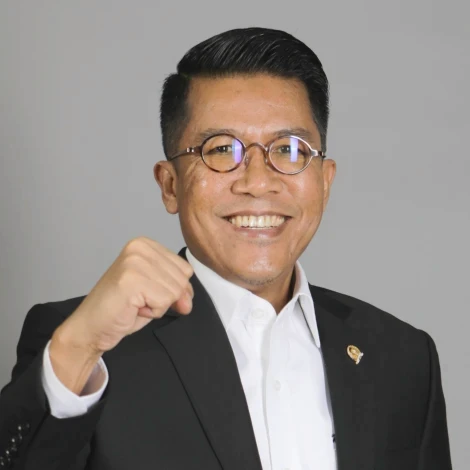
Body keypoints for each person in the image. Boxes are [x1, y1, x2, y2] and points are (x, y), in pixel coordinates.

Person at [0, 27, 452, 470]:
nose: (258, 182)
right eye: (220, 150)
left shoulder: (402, 357)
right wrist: (79, 347)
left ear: (325, 181)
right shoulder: (83, 343)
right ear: (170, 185)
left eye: (289, 149)